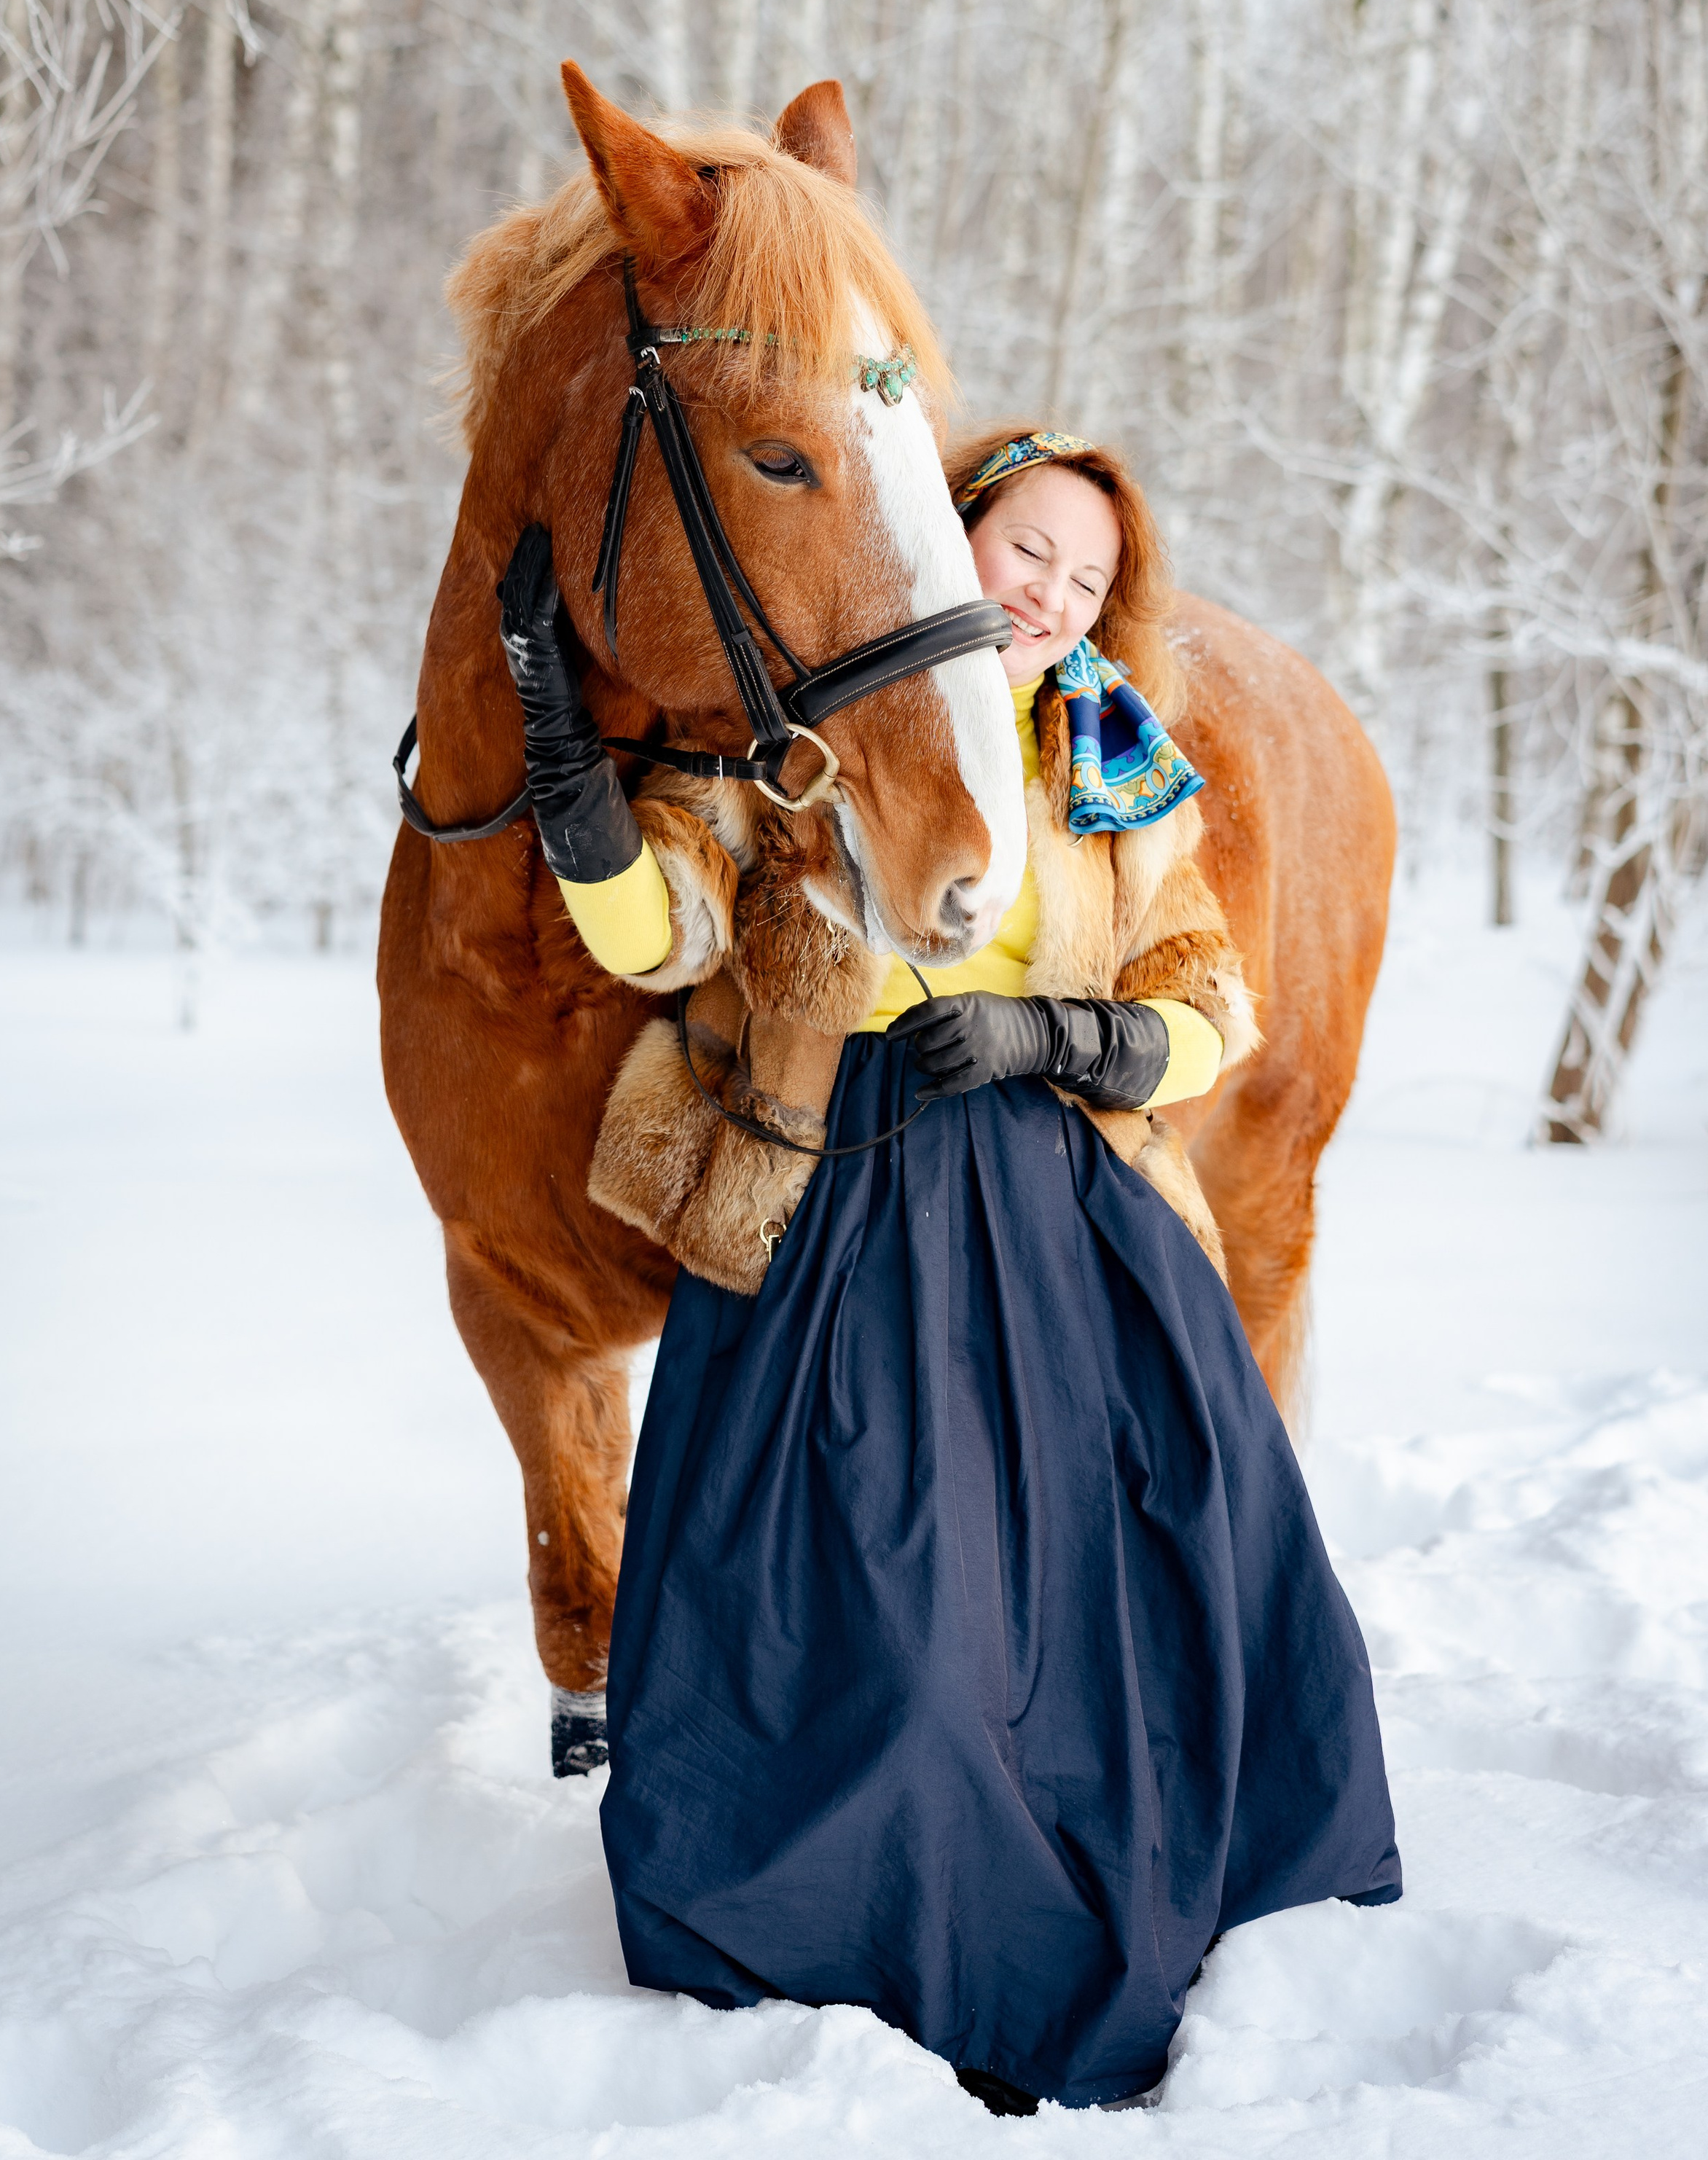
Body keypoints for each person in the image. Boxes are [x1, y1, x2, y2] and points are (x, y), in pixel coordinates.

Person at [499, 426, 1400, 2116]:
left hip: (1056, 1215)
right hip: (819, 1203)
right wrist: (570, 781)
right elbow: (663, 937)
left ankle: (1104, 1874)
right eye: (1025, 551)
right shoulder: (795, 730)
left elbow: (1209, 1006)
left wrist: (1055, 1028)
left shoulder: (1104, 752)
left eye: (1086, 577)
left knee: (1125, 1582)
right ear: (946, 530)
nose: (1051, 595)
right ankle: (854, 1917)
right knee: (877, 1629)